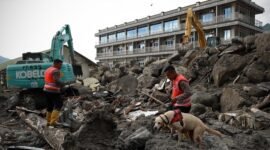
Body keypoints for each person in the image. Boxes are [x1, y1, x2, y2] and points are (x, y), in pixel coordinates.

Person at [43, 59, 64, 126]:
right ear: (56, 64)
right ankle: (53, 122)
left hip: (46, 90)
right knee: (58, 105)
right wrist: (63, 84)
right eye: (60, 64)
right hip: (53, 91)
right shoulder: (56, 71)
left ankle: (48, 122)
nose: (61, 66)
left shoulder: (48, 69)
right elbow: (56, 81)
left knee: (49, 106)